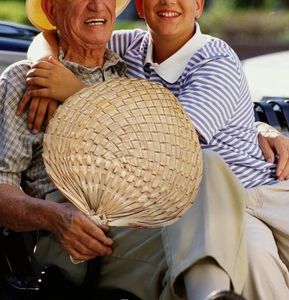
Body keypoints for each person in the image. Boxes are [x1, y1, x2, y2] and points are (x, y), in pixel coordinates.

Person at [21, 0, 289, 299]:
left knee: (241, 239)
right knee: (251, 257)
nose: (167, 2)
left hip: (256, 193)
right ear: (141, 6)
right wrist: (45, 67)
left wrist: (74, 92)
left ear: (199, 6)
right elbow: (54, 33)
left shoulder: (215, 59)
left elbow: (172, 141)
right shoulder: (128, 48)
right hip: (197, 209)